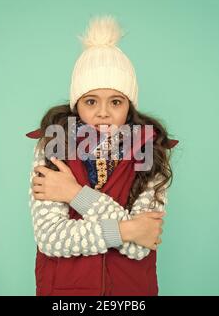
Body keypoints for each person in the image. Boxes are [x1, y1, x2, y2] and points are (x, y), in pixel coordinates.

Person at [25, 15, 179, 296]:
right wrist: (127, 229)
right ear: (77, 104)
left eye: (116, 102)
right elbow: (51, 238)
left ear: (129, 106)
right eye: (91, 101)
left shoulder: (150, 153)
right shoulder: (54, 148)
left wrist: (74, 194)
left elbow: (140, 246)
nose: (103, 112)